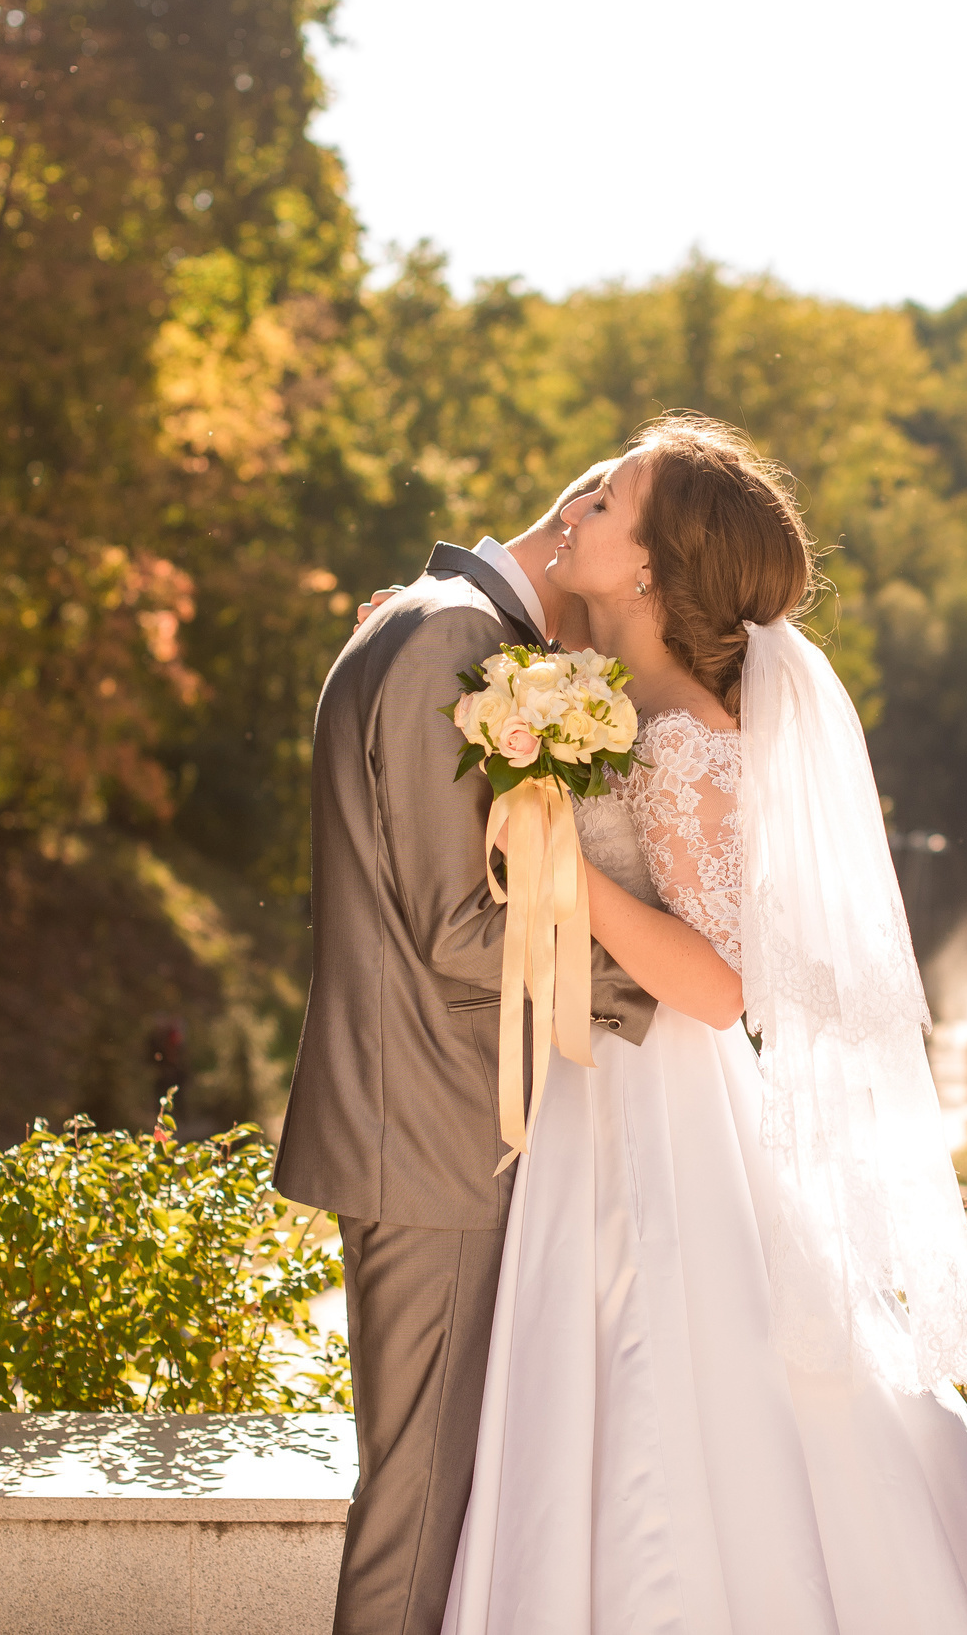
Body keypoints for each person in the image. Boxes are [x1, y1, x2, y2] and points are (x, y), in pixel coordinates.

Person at [444, 416, 967, 1633]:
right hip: (592, 1089)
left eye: (604, 501)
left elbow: (718, 985)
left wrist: (563, 871)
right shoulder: (594, 685)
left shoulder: (689, 736)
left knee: (674, 1386)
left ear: (647, 566)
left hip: (657, 1103)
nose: (571, 512)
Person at [274, 464, 657, 1635]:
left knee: (442, 1491)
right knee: (419, 1501)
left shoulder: (435, 622)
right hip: (429, 1138)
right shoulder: (449, 643)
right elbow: (454, 930)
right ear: (578, 517)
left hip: (434, 1127)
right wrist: (652, 989)